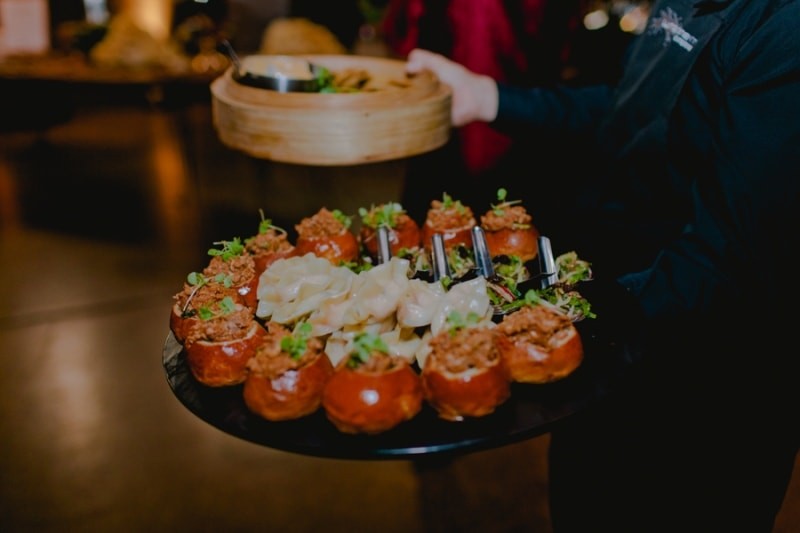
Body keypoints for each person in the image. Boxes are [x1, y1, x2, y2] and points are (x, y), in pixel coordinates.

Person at [404, 0, 800, 531]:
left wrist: (562, 321)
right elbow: (628, 108)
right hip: (613, 335)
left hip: (706, 389)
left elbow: (727, 256)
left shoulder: (786, 29)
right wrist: (486, 97)